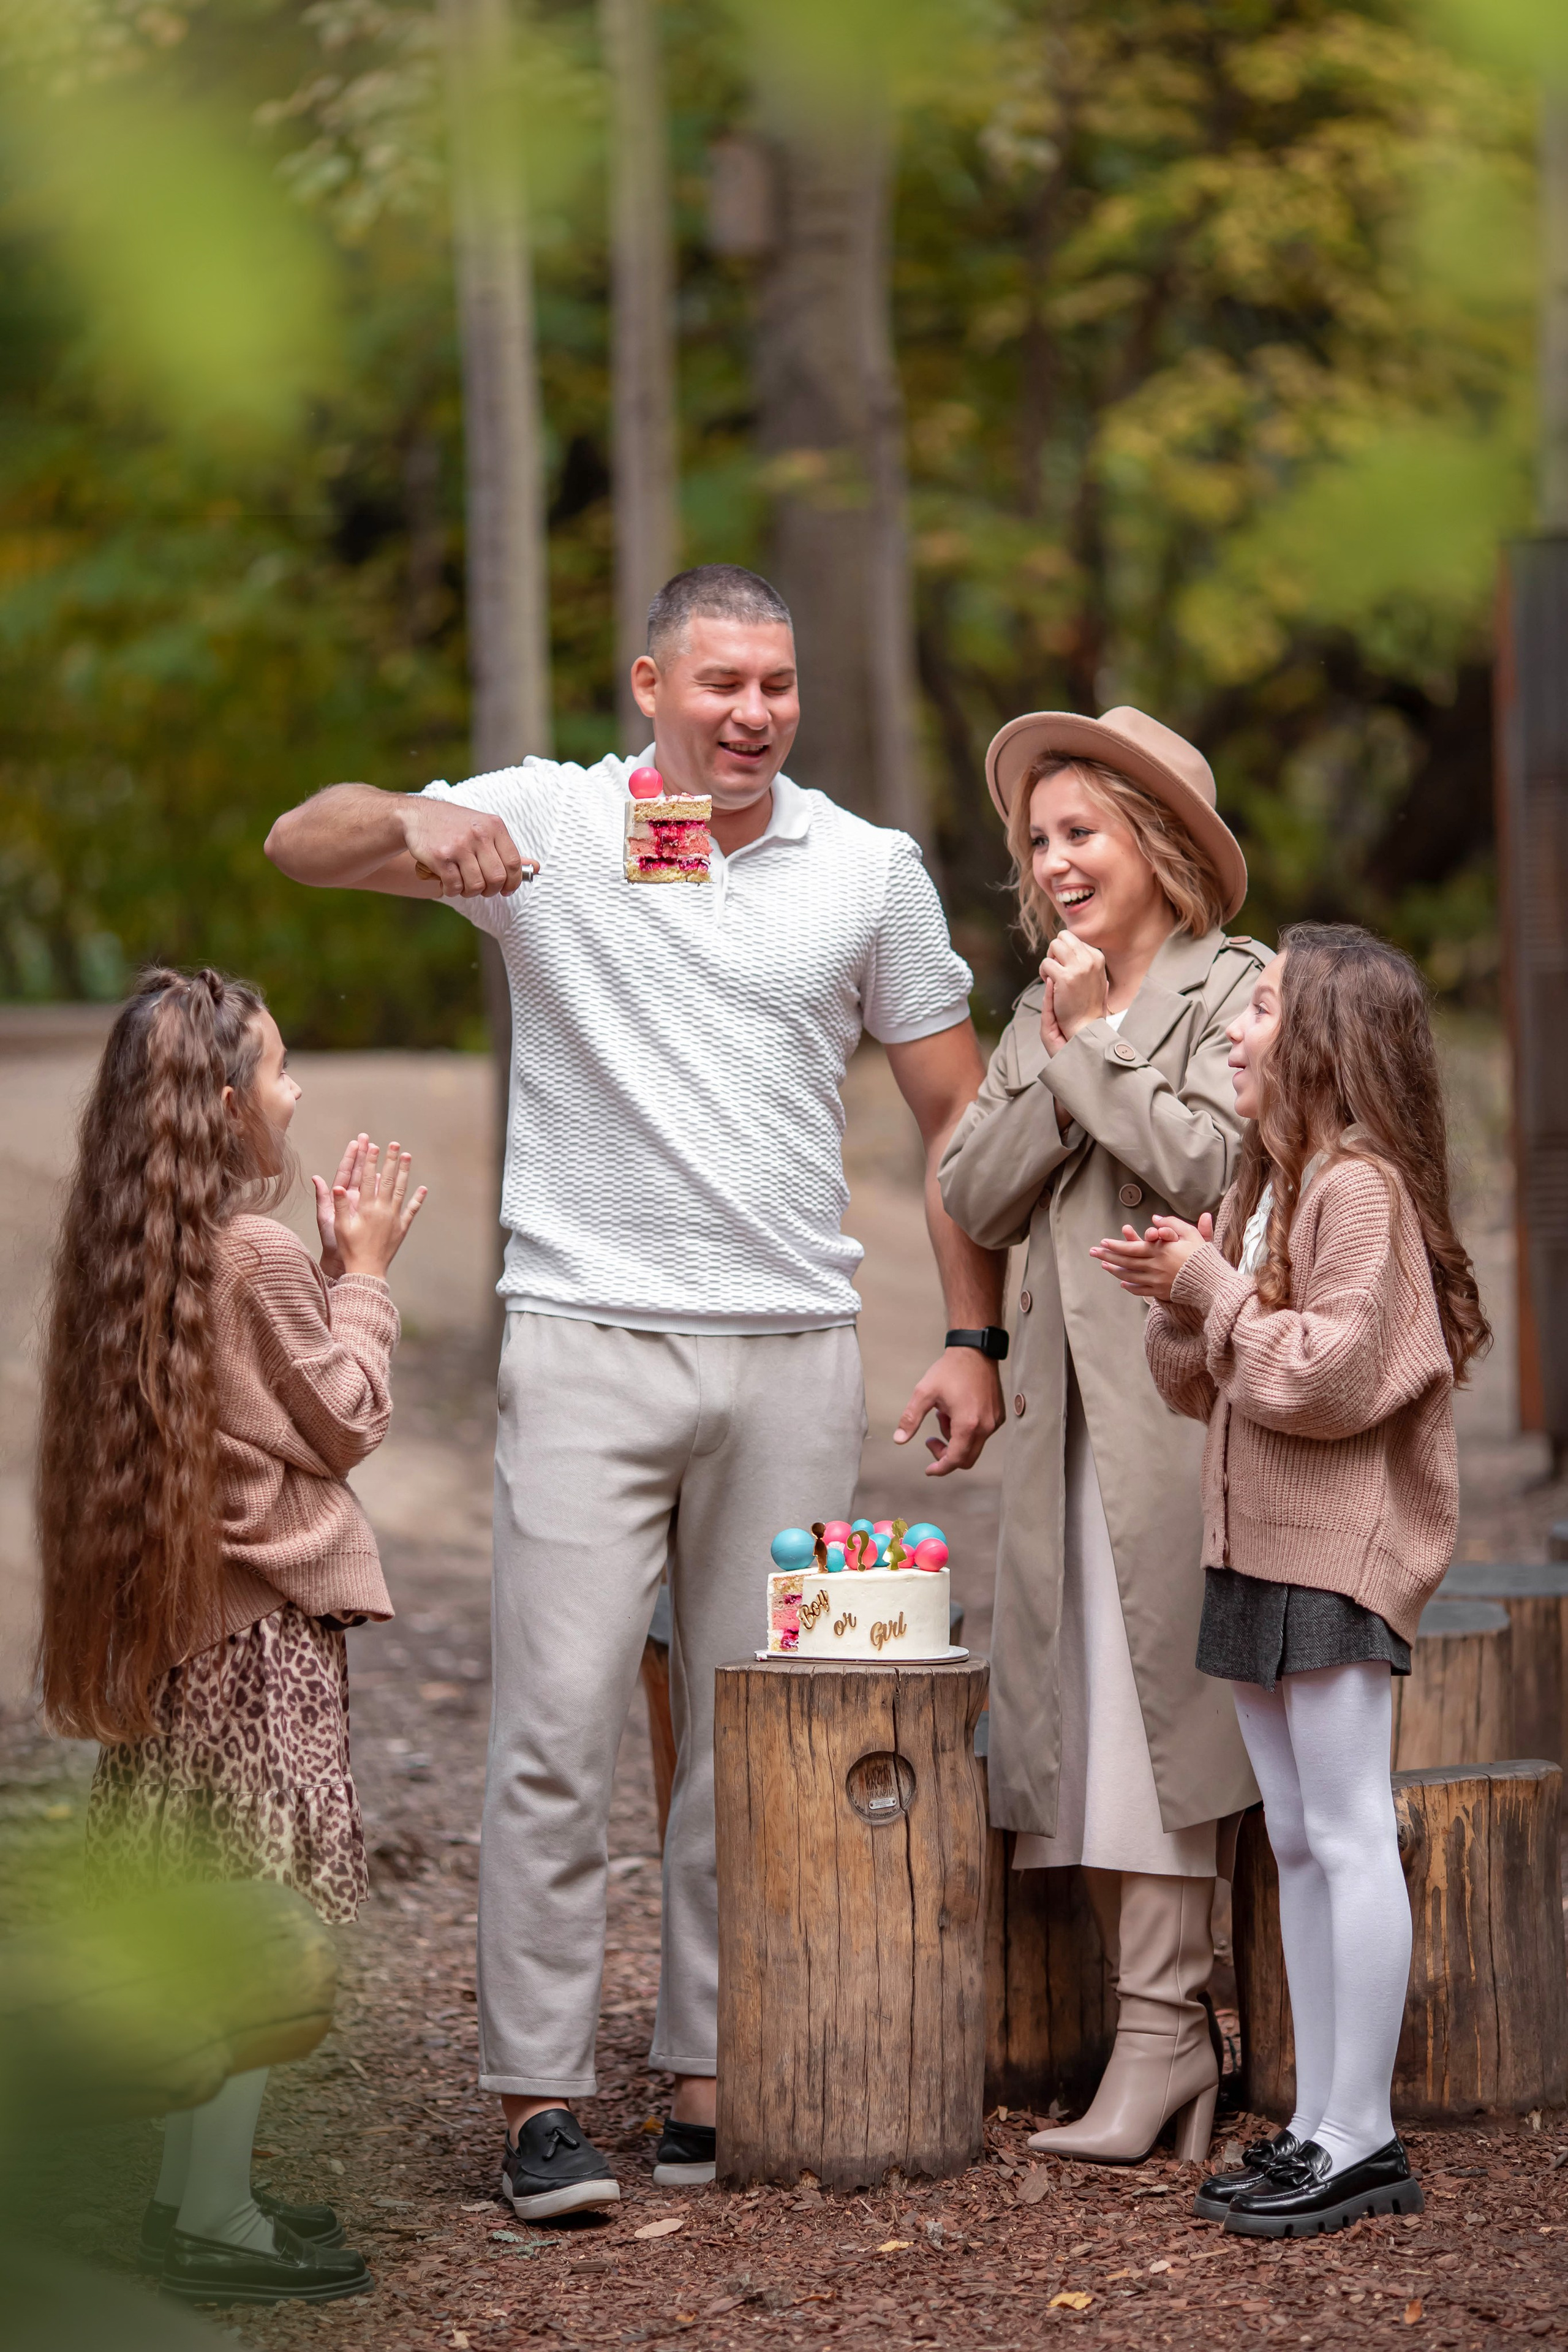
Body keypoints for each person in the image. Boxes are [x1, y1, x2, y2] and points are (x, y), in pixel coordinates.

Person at [262, 563, 1008, 2218]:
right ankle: (537, 2101)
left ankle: (711, 2075)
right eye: (723, 683)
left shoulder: (865, 871)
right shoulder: (553, 824)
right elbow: (299, 842)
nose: (754, 714)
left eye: (780, 686)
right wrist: (409, 814)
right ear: (652, 682)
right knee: (552, 1725)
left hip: (796, 1353)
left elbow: (957, 1117)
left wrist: (976, 1337)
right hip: (588, 1339)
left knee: (759, 1739)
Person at [34, 967, 425, 2306]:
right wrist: (363, 1278)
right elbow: (345, 1418)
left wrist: (321, 1280)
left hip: (182, 1648)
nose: (295, 1090)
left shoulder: (136, 1255)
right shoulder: (254, 1254)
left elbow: (261, 1407)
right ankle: (210, 2222)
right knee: (262, 1934)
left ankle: (190, 2197)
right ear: (221, 1105)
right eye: (276, 1069)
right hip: (262, 1652)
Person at [1098, 922, 1488, 2234]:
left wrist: (1210, 1285)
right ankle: (1318, 2124)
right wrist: (1177, 1290)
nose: (1229, 1027)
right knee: (1291, 1845)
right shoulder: (1272, 1182)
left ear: (1321, 1038)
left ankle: (1360, 2135)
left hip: (1335, 1555)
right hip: (1253, 1547)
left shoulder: (1358, 1189)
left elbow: (1320, 1379)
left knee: (1344, 1833)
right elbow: (1194, 1380)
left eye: (1257, 1006)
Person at [940, 706, 1264, 2166]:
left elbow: (1207, 1156)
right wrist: (1071, 1048)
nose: (1055, 862)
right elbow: (973, 1193)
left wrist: (1086, 1051)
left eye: (1082, 833)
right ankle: (1154, 2041)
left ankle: (1167, 2040)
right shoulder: (1038, 1007)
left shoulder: (1236, 985)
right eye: (1039, 841)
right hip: (1063, 1421)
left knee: (1164, 1714)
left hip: (1181, 1414)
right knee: (1079, 1709)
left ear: (1159, 844)